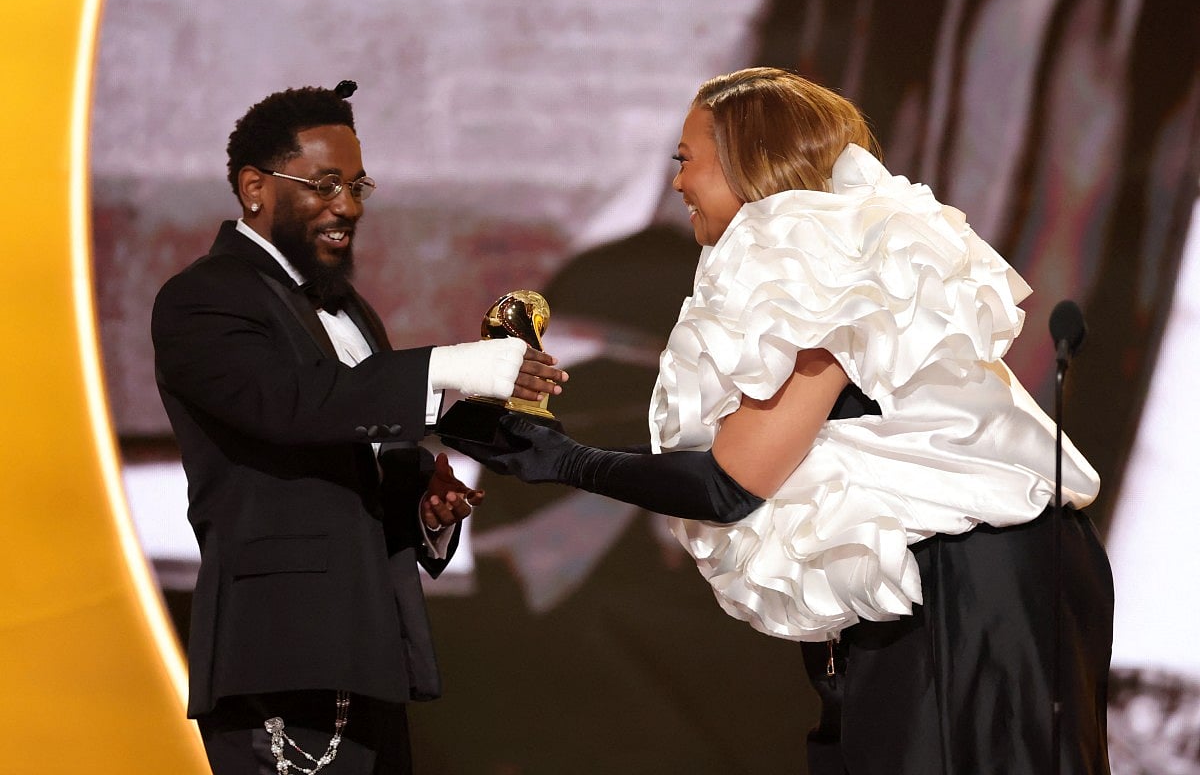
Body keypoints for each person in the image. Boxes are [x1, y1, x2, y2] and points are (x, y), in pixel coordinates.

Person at [450, 68, 1113, 773]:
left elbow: (732, 483)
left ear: (747, 158)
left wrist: (556, 457)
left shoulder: (816, 254)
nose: (678, 184)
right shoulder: (830, 246)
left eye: (686, 160)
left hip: (977, 582)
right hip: (980, 571)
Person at [151, 81, 567, 774]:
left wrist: (424, 506)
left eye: (357, 185)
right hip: (280, 659)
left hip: (369, 652)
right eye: (324, 185)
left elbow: (353, 446)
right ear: (254, 187)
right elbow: (294, 403)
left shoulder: (352, 312)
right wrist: (453, 365)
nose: (347, 206)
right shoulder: (203, 299)